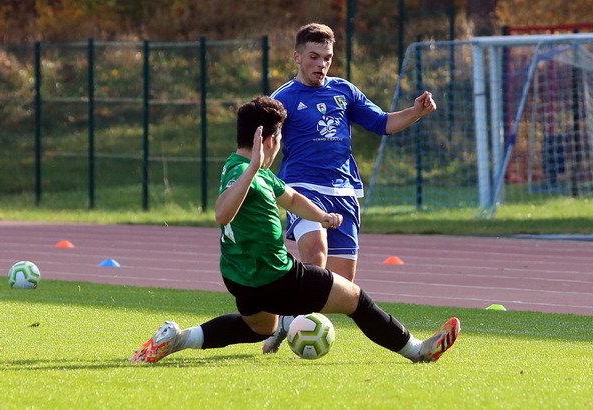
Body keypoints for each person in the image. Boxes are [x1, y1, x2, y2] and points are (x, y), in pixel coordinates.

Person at [129, 96, 460, 364]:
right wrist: (254, 169)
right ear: (270, 140)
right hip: (275, 276)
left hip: (239, 277)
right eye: (280, 139)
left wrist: (323, 217)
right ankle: (418, 350)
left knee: (260, 327)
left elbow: (290, 197)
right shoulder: (246, 172)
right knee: (357, 300)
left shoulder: (242, 166)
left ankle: (177, 338)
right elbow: (222, 213)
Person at [263, 22, 437, 353]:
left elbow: (383, 123)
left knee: (341, 286)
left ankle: (287, 320)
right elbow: (263, 143)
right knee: (316, 256)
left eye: (327, 58)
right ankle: (294, 322)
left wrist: (416, 111)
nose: (321, 64)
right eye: (313, 57)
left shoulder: (344, 90)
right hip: (302, 187)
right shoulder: (283, 98)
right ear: (297, 57)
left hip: (343, 192)